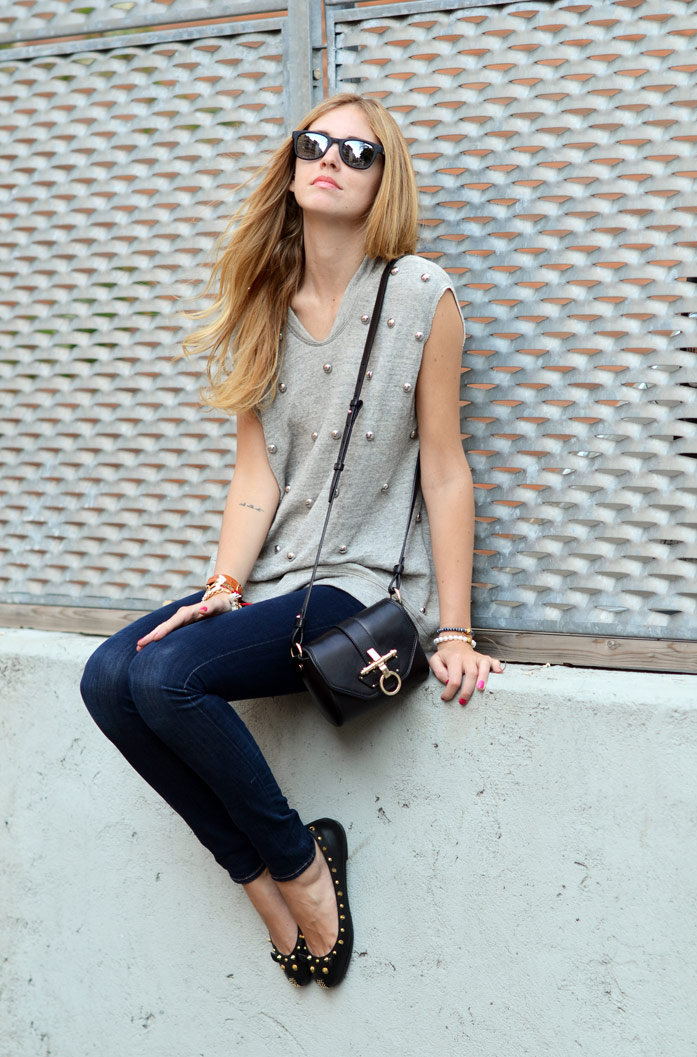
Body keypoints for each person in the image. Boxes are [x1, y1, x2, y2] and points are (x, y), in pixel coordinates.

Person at [80, 92, 504, 990]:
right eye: (315, 144)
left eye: (358, 152)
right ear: (293, 164)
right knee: (109, 678)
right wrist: (224, 588)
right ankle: (256, 880)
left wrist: (457, 629)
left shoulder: (420, 295)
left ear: (385, 180)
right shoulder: (265, 301)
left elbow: (444, 467)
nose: (331, 160)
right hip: (281, 581)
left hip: (364, 588)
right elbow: (256, 478)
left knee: (166, 677)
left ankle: (303, 864)